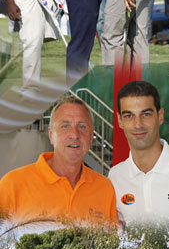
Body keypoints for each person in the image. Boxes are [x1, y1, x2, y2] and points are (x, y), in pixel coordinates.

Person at [0, 95, 118, 226]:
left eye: (82, 126)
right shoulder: (12, 185)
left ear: (91, 137)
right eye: (65, 126)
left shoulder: (104, 189)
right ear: (51, 135)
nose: (75, 134)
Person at [108, 80, 169, 224]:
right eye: (129, 116)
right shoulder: (115, 177)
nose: (138, 125)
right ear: (119, 120)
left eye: (146, 114)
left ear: (160, 116)